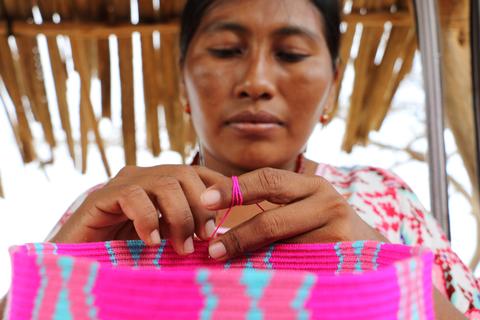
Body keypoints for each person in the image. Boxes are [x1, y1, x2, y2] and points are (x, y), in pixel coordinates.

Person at [1, 1, 479, 319]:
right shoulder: (118, 210)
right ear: (184, 82)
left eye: (291, 54)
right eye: (227, 50)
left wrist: (377, 263)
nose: (256, 80)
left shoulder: (382, 199)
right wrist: (57, 263)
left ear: (331, 87)